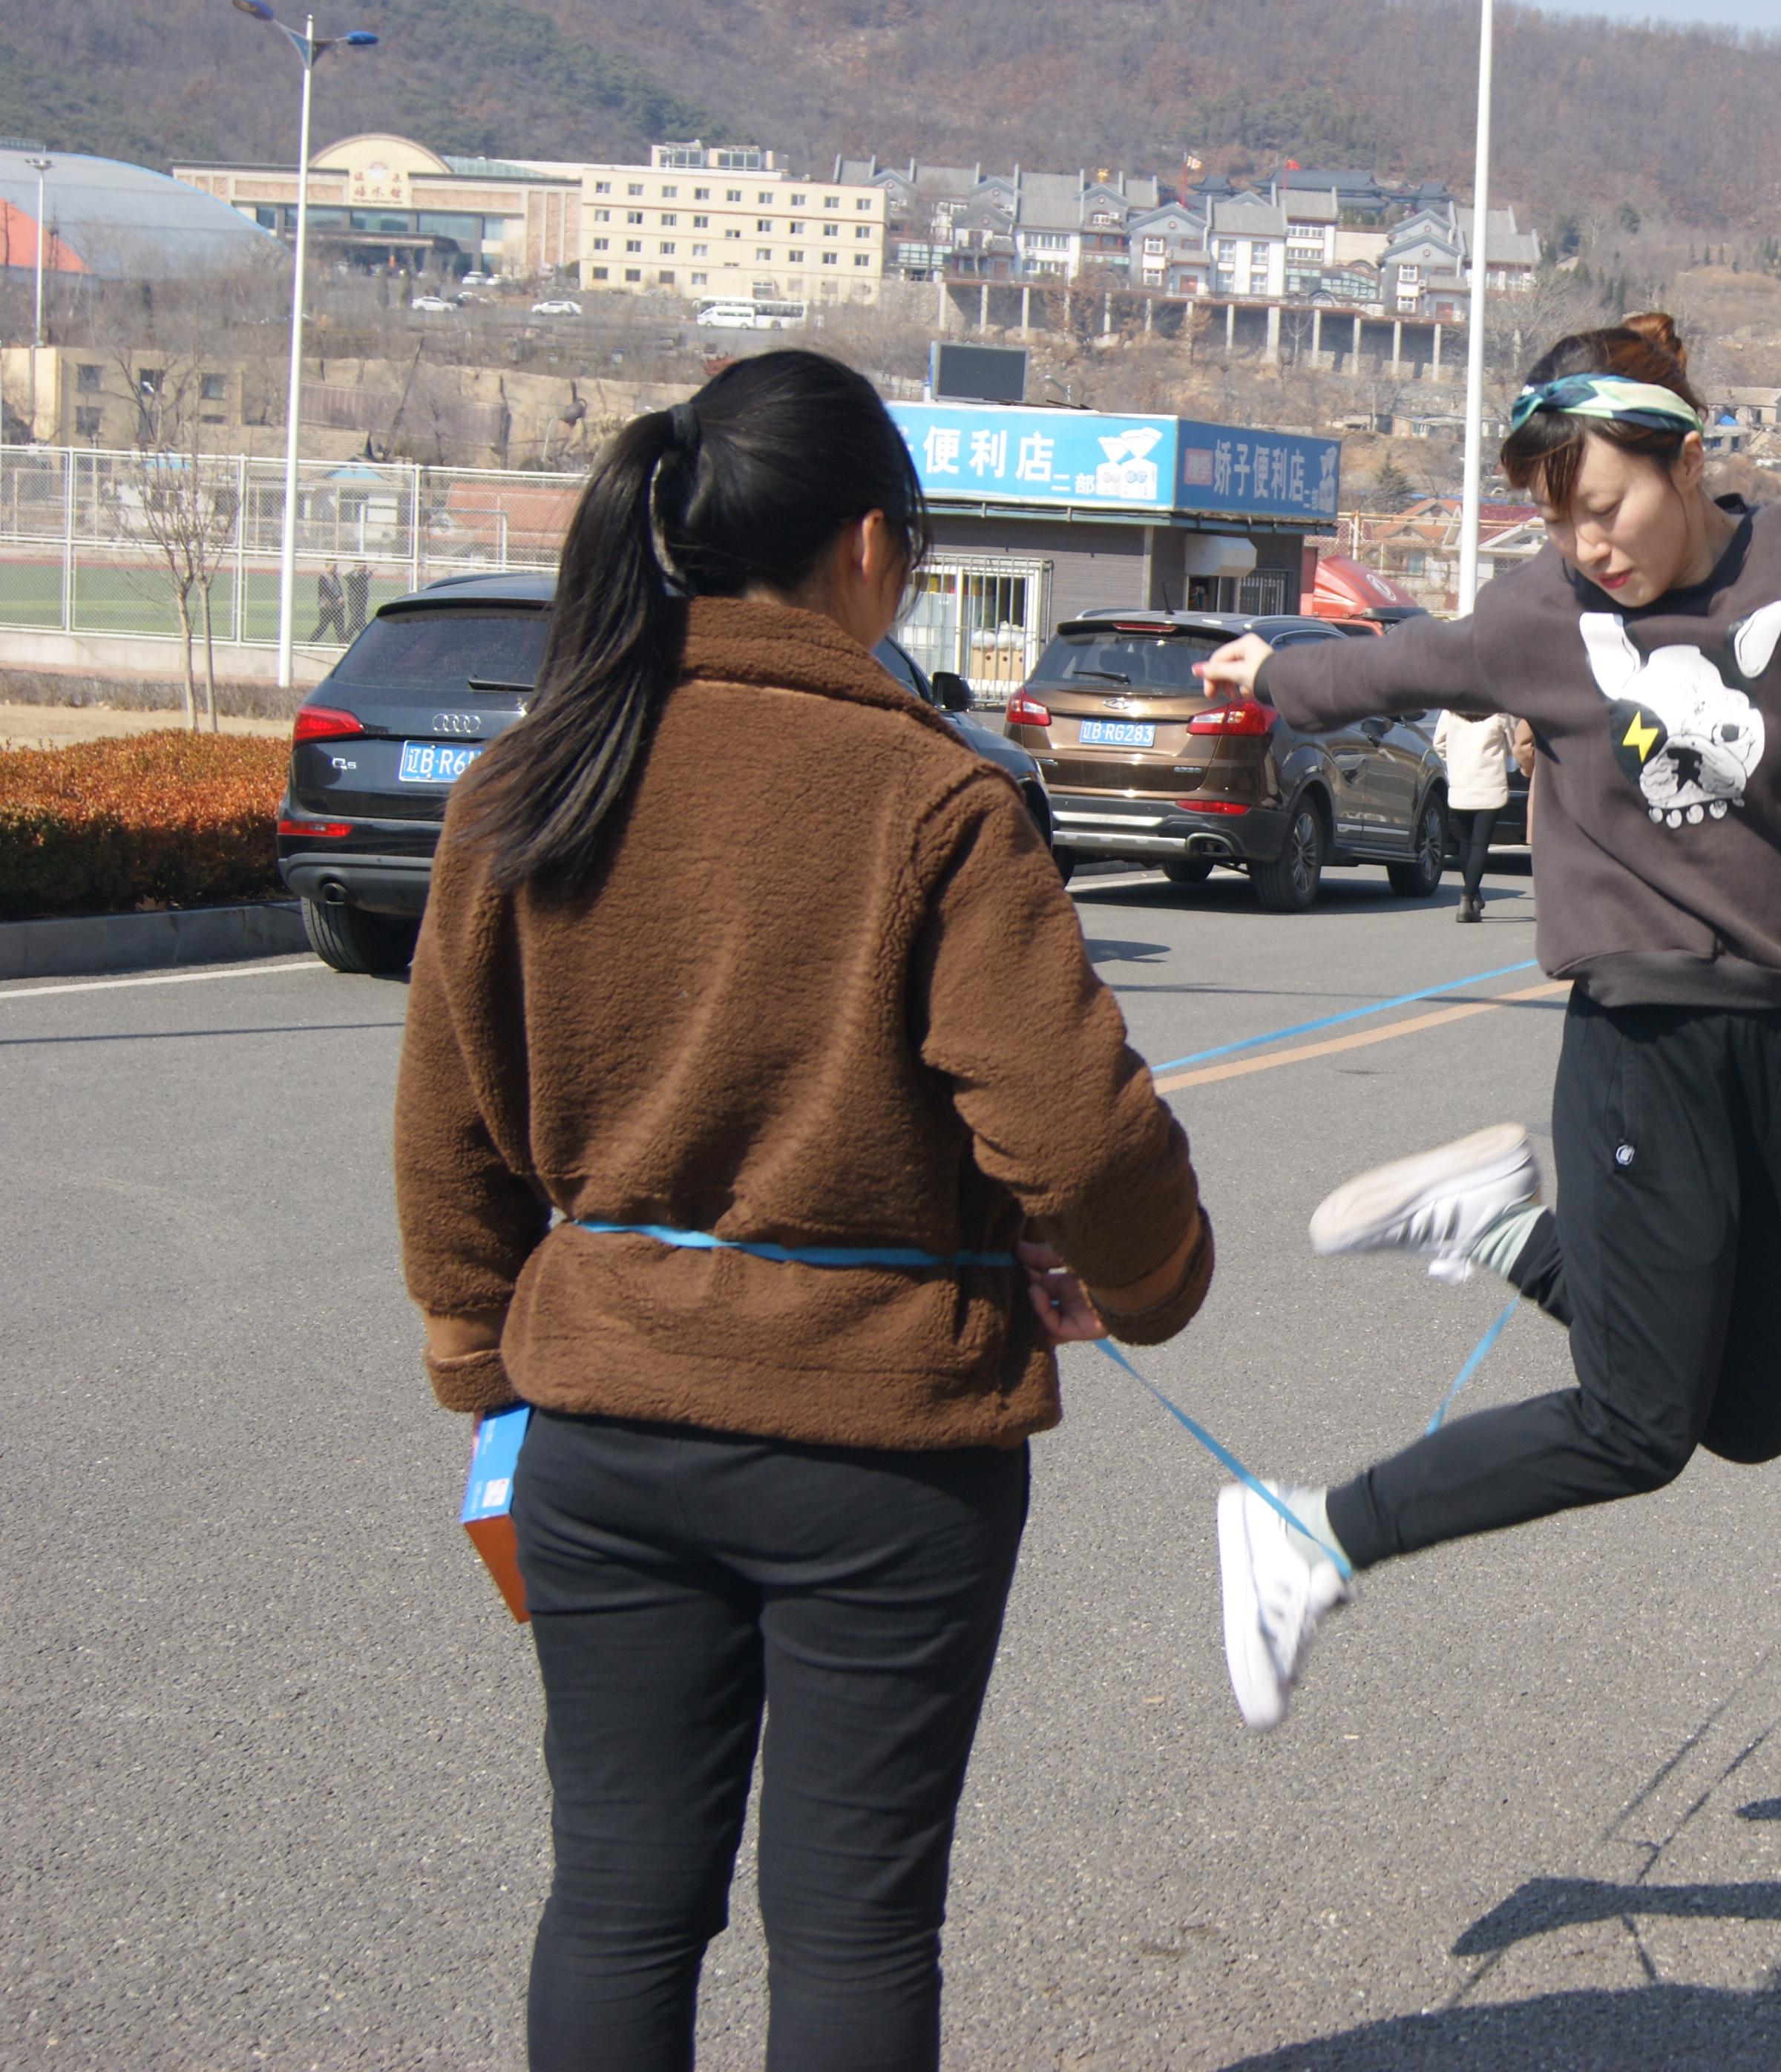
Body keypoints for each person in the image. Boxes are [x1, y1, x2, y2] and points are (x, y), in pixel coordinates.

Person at [394, 352, 1215, 2068]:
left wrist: (485, 1357)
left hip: (601, 1423)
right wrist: (1147, 1277)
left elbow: (452, 1125)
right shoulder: (932, 795)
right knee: (850, 1922)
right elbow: (1073, 1127)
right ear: (866, 547)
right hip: (884, 1443)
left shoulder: (535, 778)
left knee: (618, 1902)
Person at [1188, 312, 1781, 1730]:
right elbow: (1401, 664)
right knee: (1636, 1425)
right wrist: (1275, 671)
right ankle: (1310, 1530)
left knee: (1756, 1412)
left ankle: (1498, 1225)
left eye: (1605, 508)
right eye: (1558, 523)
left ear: (1687, 459)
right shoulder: (1541, 617)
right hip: (1643, 1043)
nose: (1589, 548)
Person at [1437, 704, 1518, 922]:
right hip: (1490, 784)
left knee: (1465, 842)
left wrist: (1457, 760)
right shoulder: (1501, 714)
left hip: (1460, 783)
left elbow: (1439, 745)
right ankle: (1467, 896)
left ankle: (1474, 897)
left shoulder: (1450, 712)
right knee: (1480, 844)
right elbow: (1513, 745)